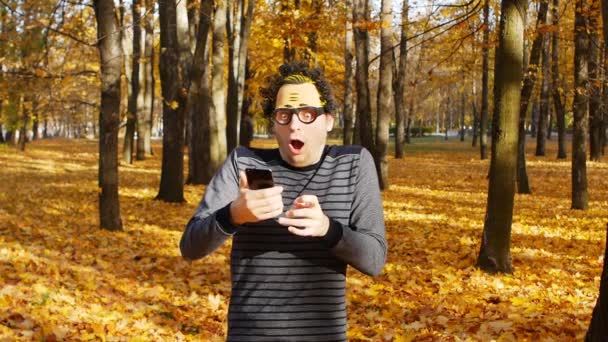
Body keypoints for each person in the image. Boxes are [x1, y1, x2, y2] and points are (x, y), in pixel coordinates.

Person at [180, 61, 387, 341]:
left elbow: (374, 259)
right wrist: (233, 215)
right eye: (284, 115)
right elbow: (190, 247)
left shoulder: (352, 164)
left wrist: (328, 229)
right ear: (273, 124)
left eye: (307, 114)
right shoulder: (246, 164)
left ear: (328, 121)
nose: (294, 125)